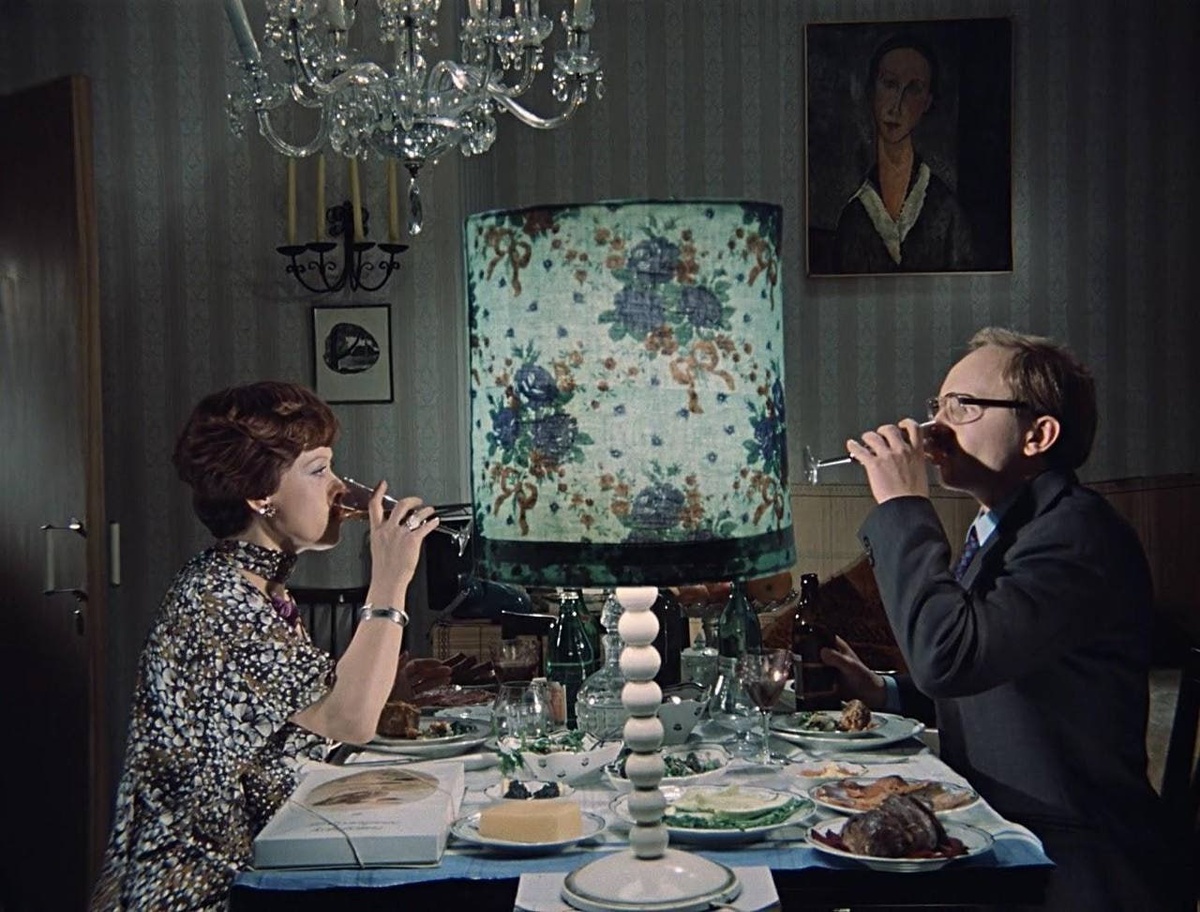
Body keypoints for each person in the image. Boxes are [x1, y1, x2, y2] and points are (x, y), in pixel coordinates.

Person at [821, 328, 1185, 909]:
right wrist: (883, 691)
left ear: (1038, 435)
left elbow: (950, 659)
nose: (934, 427)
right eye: (937, 405)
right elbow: (992, 664)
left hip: (1071, 856)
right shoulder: (1007, 526)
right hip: (1003, 829)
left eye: (962, 406)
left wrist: (904, 505)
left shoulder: (1076, 534)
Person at [91, 381, 443, 910]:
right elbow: (348, 720)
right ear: (260, 497)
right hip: (198, 889)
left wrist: (386, 685)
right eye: (318, 469)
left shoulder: (257, 585)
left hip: (262, 860)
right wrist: (391, 578)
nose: (340, 487)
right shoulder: (219, 599)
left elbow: (305, 719)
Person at [834, 33, 975, 273]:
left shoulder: (947, 212)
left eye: (913, 90)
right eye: (890, 84)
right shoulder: (854, 216)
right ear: (872, 91)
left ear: (927, 102)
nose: (896, 106)